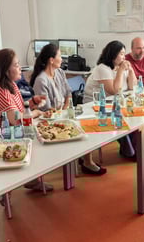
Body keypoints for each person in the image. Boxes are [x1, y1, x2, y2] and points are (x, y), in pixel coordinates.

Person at [0, 48, 53, 191]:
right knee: (35, 136)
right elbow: (17, 120)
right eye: (16, 65)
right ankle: (24, 182)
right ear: (6, 70)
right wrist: (36, 112)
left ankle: (32, 178)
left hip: (7, 130)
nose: (20, 68)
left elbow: (19, 111)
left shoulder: (9, 84)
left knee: (38, 133)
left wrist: (32, 103)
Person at [31, 44, 106, 175]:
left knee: (86, 125)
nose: (62, 59)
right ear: (51, 60)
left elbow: (68, 93)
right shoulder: (41, 80)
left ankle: (86, 160)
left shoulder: (59, 72)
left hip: (62, 113)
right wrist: (62, 113)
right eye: (60, 56)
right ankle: (84, 162)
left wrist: (65, 109)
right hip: (48, 119)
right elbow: (46, 108)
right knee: (78, 127)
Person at [84, 40, 138, 158]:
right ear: (113, 54)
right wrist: (120, 71)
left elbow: (133, 87)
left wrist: (131, 70)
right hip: (95, 105)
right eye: (121, 54)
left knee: (135, 115)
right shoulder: (102, 68)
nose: (124, 57)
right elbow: (114, 90)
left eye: (124, 54)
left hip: (114, 103)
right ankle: (129, 150)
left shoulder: (119, 68)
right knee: (120, 116)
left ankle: (132, 148)